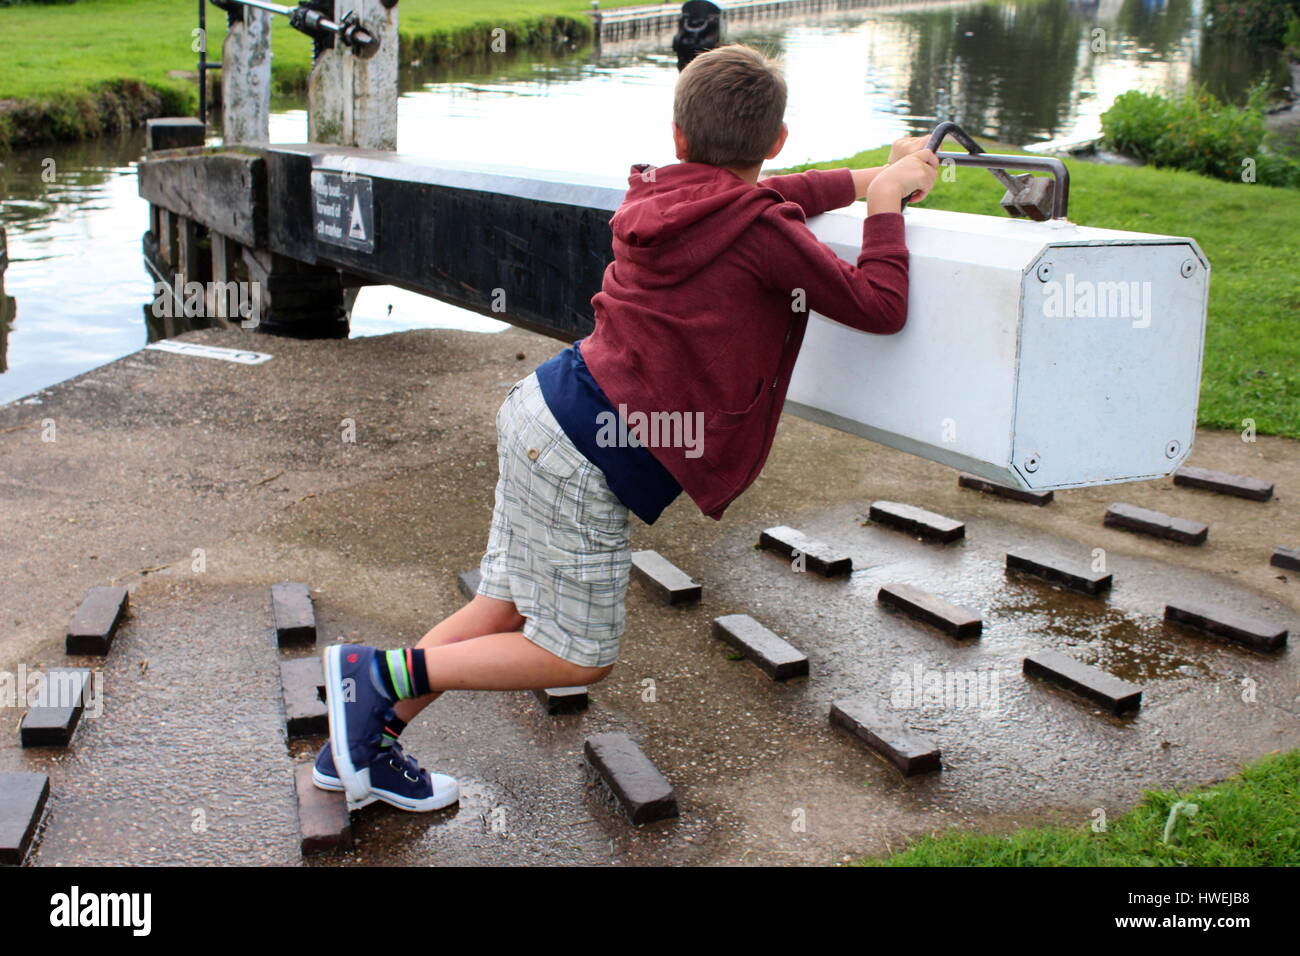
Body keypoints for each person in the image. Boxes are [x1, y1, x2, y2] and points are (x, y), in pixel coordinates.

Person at [315, 43, 939, 810]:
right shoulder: (761, 229)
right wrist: (885, 206)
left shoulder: (664, 199)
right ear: (775, 140)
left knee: (502, 605)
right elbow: (879, 305)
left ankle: (359, 745)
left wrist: (871, 177)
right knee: (575, 657)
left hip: (544, 409)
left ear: (679, 137)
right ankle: (376, 677)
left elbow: (769, 198)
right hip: (582, 458)